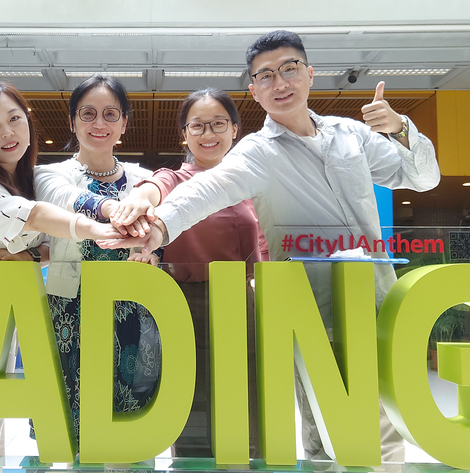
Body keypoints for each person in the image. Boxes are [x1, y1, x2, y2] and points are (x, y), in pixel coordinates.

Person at [105, 30, 440, 463]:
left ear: (310, 74)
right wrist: (158, 227)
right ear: (254, 90)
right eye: (265, 75)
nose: (279, 83)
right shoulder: (258, 152)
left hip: (375, 299)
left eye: (289, 69)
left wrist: (400, 127)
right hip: (312, 311)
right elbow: (206, 188)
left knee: (387, 426)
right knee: (327, 432)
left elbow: (423, 178)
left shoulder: (351, 135)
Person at [0, 81, 123, 455]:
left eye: (14, 119)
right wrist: (96, 228)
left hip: (4, 313)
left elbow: (48, 247)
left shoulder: (27, 180)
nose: (7, 132)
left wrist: (29, 256)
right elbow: (34, 218)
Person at [111, 88, 267, 458]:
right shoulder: (173, 179)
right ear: (184, 134)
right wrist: (138, 199)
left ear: (235, 129)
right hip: (183, 301)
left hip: (241, 300)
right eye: (197, 125)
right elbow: (152, 189)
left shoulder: (253, 181)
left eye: (218, 124)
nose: (208, 134)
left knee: (245, 396)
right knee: (189, 401)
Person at [33, 74, 161, 442]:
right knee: (68, 419)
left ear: (124, 123)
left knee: (132, 421)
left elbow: (159, 238)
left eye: (110, 114)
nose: (99, 123)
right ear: (72, 122)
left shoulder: (144, 180)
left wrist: (151, 254)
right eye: (87, 114)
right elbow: (65, 199)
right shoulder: (49, 174)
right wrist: (115, 210)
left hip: (134, 312)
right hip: (71, 312)